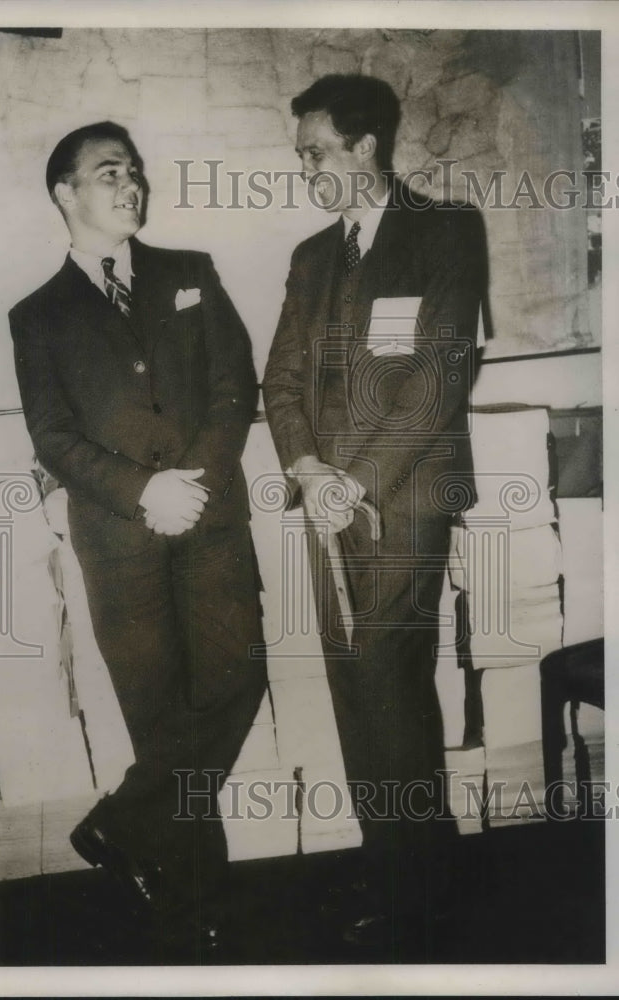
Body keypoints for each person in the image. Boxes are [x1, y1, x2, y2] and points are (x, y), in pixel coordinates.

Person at [9, 121, 266, 958]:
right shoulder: (37, 315)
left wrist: (188, 482)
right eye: (108, 172)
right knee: (163, 723)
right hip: (119, 541)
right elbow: (52, 438)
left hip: (210, 519)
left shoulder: (190, 273)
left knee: (234, 682)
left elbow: (235, 385)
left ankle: (121, 824)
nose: (131, 184)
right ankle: (197, 911)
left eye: (135, 171)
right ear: (65, 194)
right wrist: (142, 490)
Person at [262, 75, 486, 950]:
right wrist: (310, 468)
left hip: (407, 495)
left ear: (365, 148)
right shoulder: (313, 257)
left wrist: (351, 480)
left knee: (388, 685)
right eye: (299, 157)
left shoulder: (445, 232)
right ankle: (408, 861)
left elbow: (438, 377)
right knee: (359, 685)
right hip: (328, 500)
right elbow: (280, 381)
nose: (306, 169)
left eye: (315, 152)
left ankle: (414, 893)